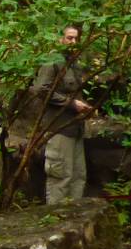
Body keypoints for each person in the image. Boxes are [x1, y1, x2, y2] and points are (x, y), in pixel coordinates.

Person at [27, 24, 95, 203]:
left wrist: (84, 108)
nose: (73, 42)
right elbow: (41, 89)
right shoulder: (52, 61)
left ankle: (75, 221)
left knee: (78, 177)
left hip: (76, 128)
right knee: (60, 177)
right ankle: (55, 222)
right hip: (59, 129)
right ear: (61, 39)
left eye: (76, 39)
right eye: (69, 38)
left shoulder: (74, 64)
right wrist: (71, 104)